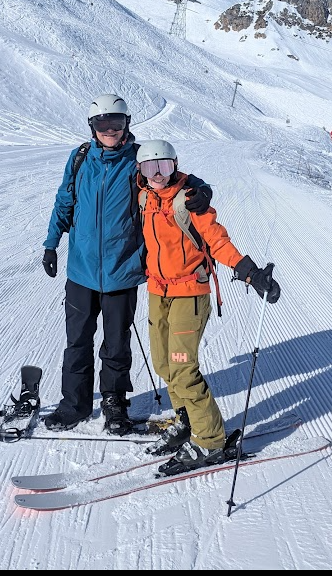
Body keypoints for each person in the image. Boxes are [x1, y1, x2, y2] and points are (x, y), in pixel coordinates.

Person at [41, 95, 213, 436]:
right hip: (81, 270)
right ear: (92, 127)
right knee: (77, 341)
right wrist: (51, 243)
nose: (110, 130)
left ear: (127, 124)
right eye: (102, 124)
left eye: (116, 123)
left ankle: (114, 403)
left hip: (122, 270)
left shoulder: (137, 161)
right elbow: (64, 200)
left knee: (116, 344)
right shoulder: (79, 159)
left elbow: (171, 176)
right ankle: (74, 404)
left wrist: (200, 187)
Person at [135, 139, 281, 473]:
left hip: (189, 292)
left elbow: (217, 240)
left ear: (175, 165)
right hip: (158, 291)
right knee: (163, 364)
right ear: (141, 173)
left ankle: (210, 440)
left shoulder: (190, 200)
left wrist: (249, 272)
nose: (157, 175)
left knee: (184, 370)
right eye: (149, 168)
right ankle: (186, 421)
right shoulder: (144, 198)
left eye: (164, 167)